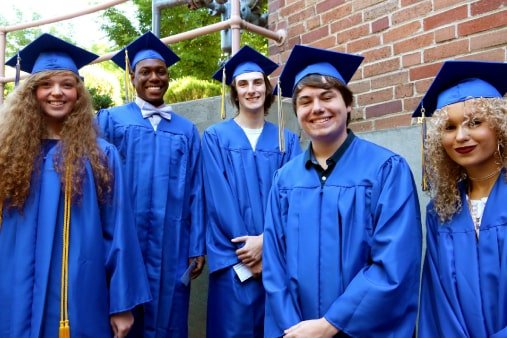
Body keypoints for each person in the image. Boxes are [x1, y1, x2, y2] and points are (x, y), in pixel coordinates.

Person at [262, 44, 422, 338]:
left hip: (362, 328)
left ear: (348, 105)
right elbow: (274, 263)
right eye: (305, 101)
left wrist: (330, 325)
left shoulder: (386, 170)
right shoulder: (285, 180)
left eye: (327, 97)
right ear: (296, 112)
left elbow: (394, 261)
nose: (317, 108)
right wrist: (292, 328)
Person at [0, 33, 151, 338]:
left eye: (67, 85)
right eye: (46, 85)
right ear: (31, 92)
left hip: (76, 294)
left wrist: (121, 304)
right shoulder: (9, 153)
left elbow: (118, 231)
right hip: (14, 285)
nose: (57, 93)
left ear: (79, 93)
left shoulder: (100, 155)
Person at [96, 31, 205, 338]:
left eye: (161, 71)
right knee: (124, 311)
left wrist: (197, 244)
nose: (154, 77)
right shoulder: (111, 121)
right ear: (132, 77)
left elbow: (197, 190)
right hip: (124, 239)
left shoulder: (186, 130)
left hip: (173, 241)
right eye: (145, 72)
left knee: (170, 314)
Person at [202, 45, 302, 338]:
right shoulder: (215, 138)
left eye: (258, 82)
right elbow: (218, 200)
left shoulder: (288, 139)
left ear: (267, 87)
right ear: (234, 91)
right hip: (235, 261)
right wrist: (249, 254)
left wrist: (267, 244)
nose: (251, 89)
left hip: (278, 259)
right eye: (243, 83)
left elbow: (293, 198)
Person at [415, 60, 507, 337]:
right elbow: (436, 300)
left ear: (500, 126)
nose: (461, 136)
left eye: (475, 123)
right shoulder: (441, 210)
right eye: (450, 127)